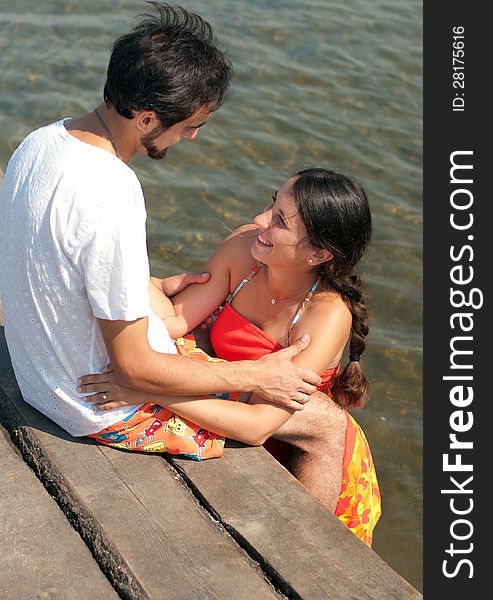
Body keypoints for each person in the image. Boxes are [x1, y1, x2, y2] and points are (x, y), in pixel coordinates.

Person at [0, 3, 321, 454]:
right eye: (190, 126)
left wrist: (140, 285)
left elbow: (50, 256)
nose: (191, 137)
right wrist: (255, 374)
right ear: (147, 118)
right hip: (99, 404)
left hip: (41, 370)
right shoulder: (111, 191)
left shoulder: (42, 142)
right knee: (323, 426)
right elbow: (134, 371)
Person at [78, 167, 382, 546]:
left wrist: (147, 387)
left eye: (279, 221)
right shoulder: (245, 249)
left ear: (318, 254)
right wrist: (145, 281)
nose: (260, 220)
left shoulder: (326, 315)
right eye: (273, 202)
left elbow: (258, 425)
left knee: (296, 549)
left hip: (295, 440)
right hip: (231, 404)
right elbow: (174, 320)